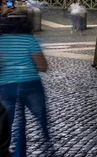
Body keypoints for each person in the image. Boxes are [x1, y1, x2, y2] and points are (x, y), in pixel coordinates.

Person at [0, 10, 52, 157]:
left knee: (6, 121)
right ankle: (47, 139)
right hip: (30, 85)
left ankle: (8, 149)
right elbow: (43, 66)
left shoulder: (1, 41)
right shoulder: (30, 40)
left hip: (6, 86)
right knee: (40, 116)